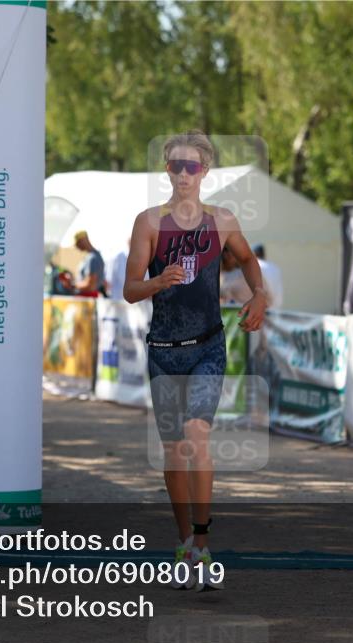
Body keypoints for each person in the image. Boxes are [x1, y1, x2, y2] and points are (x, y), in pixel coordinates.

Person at [123, 129, 266, 592]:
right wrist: (157, 282)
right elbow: (129, 290)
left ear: (205, 172)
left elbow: (247, 260)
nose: (184, 174)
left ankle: (202, 545)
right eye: (176, 166)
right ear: (167, 170)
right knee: (174, 451)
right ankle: (183, 541)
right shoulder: (148, 223)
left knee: (197, 438)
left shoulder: (221, 221)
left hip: (207, 345)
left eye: (193, 166)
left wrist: (259, 296)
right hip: (164, 350)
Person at [73, 230, 107, 297]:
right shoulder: (93, 256)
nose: (77, 247)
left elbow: (90, 286)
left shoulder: (92, 258)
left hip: (88, 300)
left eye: (77, 243)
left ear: (83, 240)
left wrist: (72, 285)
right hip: (89, 299)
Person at [252, 244, 283, 309]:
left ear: (254, 253)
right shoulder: (274, 267)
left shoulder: (257, 265)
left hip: (262, 307)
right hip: (275, 307)